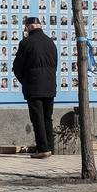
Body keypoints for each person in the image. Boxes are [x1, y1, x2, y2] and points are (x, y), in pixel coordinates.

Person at [13, 16, 58, 159]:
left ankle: (43, 149)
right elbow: (55, 64)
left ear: (28, 27)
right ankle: (50, 147)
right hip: (50, 85)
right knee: (47, 117)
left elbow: (17, 66)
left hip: (34, 86)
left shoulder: (26, 43)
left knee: (37, 118)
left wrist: (25, 80)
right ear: (40, 26)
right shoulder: (50, 42)